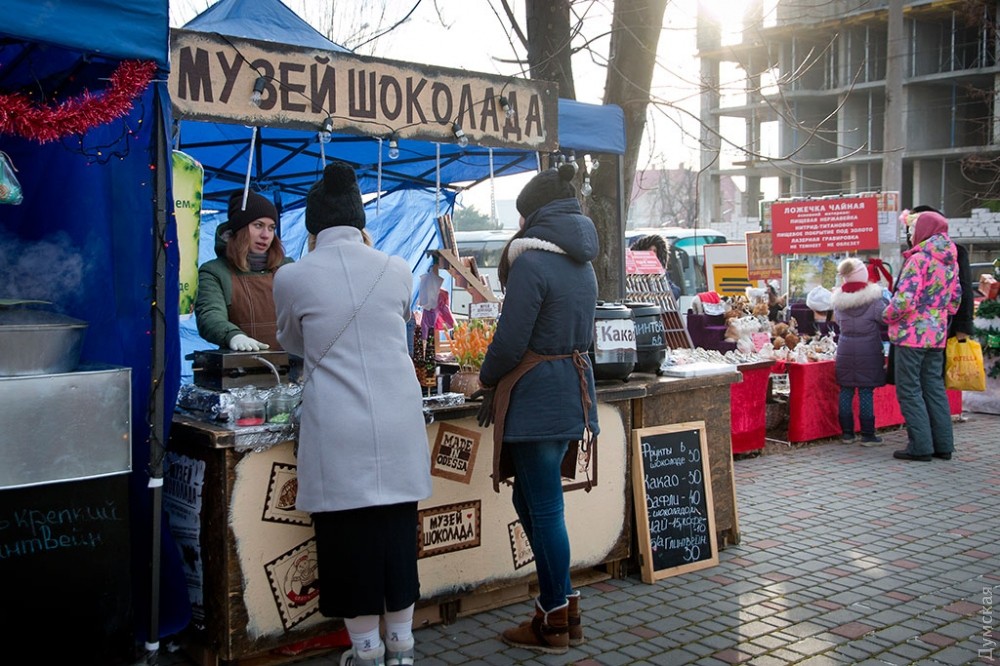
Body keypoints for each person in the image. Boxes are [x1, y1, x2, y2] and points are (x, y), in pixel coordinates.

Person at [272, 162, 432, 666]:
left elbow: (292, 341)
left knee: (347, 540)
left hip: (338, 423)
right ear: (360, 222)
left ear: (313, 226)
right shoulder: (398, 269)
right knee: (397, 533)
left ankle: (365, 651)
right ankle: (402, 647)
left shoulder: (291, 276)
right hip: (398, 417)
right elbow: (398, 326)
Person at [474, 163, 600, 655]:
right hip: (570, 390)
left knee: (543, 508)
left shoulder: (531, 264)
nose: (519, 225)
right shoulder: (583, 263)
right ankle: (565, 608)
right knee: (531, 502)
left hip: (535, 396)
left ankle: (552, 619)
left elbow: (510, 342)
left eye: (523, 216)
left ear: (535, 217)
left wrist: (485, 378)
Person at [884, 209, 962, 461]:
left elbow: (904, 300)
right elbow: (955, 301)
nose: (910, 235)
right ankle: (943, 445)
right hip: (937, 334)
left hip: (911, 334)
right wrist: (936, 314)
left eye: (912, 230)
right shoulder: (950, 261)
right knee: (934, 387)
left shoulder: (918, 260)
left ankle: (920, 446)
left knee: (909, 389)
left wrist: (886, 315)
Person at [195, 190, 291, 351]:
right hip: (242, 364)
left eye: (271, 228)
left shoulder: (286, 267)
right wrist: (232, 335)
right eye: (258, 225)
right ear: (239, 229)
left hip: (292, 363)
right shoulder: (214, 272)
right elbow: (210, 314)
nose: (266, 235)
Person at [831, 257, 887, 445]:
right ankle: (868, 435)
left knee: (845, 390)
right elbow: (886, 318)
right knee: (865, 392)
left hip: (845, 348)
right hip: (869, 350)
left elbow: (838, 322)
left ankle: (847, 433)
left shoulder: (838, 301)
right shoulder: (874, 300)